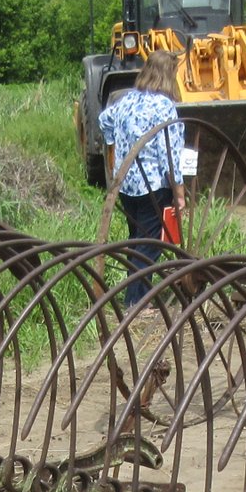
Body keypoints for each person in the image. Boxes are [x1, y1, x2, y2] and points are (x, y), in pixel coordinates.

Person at [97, 50, 187, 311]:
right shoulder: (164, 107)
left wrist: (115, 144)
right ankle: (137, 302)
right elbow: (169, 154)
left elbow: (104, 120)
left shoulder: (127, 99)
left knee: (136, 240)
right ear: (168, 74)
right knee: (148, 245)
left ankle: (133, 296)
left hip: (125, 185)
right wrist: (179, 192)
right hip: (152, 186)